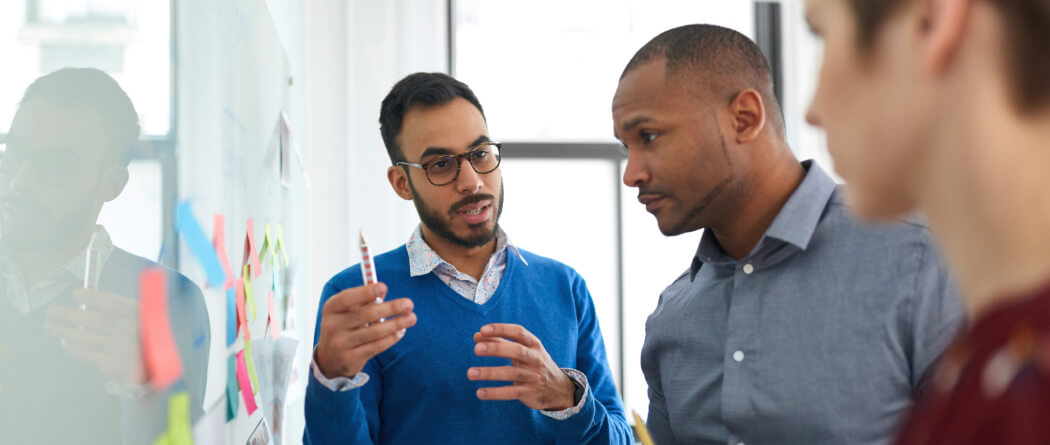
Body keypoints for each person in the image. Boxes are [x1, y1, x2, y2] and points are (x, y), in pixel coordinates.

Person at [612, 24, 965, 445]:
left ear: (744, 118)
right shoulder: (672, 317)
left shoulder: (922, 258)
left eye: (649, 136)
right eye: (625, 148)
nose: (631, 174)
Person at [304, 72, 631, 444]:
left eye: (480, 154)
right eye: (441, 164)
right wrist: (331, 378)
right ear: (401, 183)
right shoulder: (358, 297)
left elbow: (622, 439)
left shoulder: (565, 287)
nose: (472, 181)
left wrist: (566, 397)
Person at [804, 0, 1050, 443]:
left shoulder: (1025, 392)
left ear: (931, 20)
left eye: (821, 35)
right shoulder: (995, 361)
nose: (812, 109)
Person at [0, 68, 209, 444]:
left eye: (55, 165)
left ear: (111, 184)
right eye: (13, 153)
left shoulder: (169, 301)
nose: (18, 181)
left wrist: (146, 388)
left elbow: (181, 438)